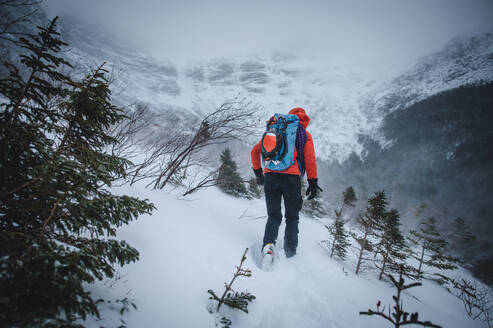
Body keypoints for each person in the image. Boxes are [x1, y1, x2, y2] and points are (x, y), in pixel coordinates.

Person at [251, 107, 322, 258]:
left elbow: (255, 151)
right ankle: (290, 252)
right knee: (292, 216)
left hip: (270, 176)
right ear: (304, 120)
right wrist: (312, 181)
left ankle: (268, 246)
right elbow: (310, 159)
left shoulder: (275, 129)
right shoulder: (304, 134)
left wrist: (258, 173)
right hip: (292, 179)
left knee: (274, 215)